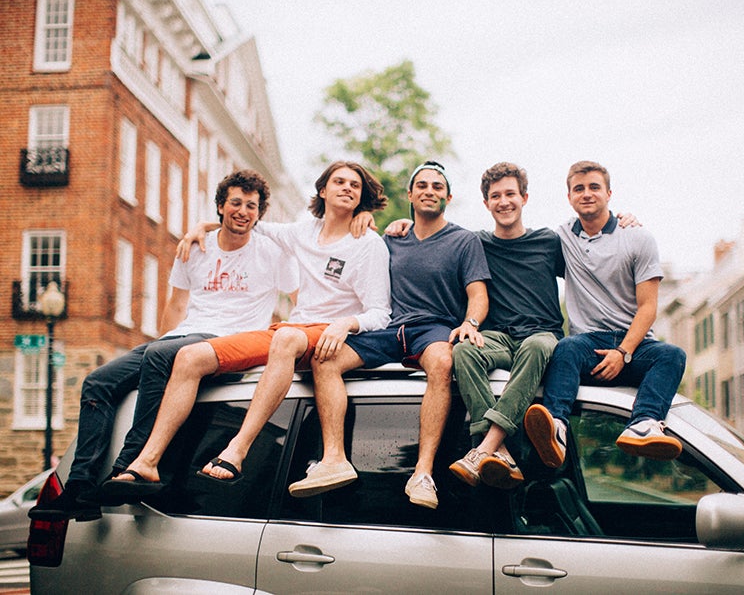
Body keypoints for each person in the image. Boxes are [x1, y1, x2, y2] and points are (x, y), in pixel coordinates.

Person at [102, 161, 391, 497]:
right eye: (339, 181)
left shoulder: (368, 243)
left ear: (361, 198)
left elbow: (380, 313)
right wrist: (201, 226)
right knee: (189, 356)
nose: (347, 188)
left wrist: (346, 324)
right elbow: (243, 223)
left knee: (284, 336)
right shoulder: (301, 232)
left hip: (327, 334)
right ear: (323, 190)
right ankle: (147, 463)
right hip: (295, 329)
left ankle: (236, 451)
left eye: (355, 185)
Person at [29, 170, 293, 521]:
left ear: (260, 213)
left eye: (251, 205)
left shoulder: (272, 251)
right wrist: (164, 348)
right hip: (185, 336)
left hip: (231, 340)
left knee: (159, 355)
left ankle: (128, 468)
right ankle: (80, 489)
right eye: (235, 203)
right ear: (220, 206)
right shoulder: (195, 247)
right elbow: (177, 305)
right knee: (98, 382)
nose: (243, 211)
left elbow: (299, 293)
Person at [306, 161, 491, 510]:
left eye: (437, 187)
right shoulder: (392, 238)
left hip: (433, 328)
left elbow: (478, 294)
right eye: (422, 185)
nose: (429, 191)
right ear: (410, 194)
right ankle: (334, 459)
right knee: (324, 358)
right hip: (391, 328)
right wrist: (365, 219)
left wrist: (470, 323)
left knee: (442, 363)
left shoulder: (464, 240)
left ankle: (422, 473)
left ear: (448, 197)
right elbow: (347, 237)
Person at [524, 160, 686, 469]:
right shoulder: (561, 239)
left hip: (635, 346)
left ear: (609, 193)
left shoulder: (638, 237)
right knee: (565, 348)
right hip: (588, 345)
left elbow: (648, 307)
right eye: (579, 188)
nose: (587, 194)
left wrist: (623, 352)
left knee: (672, 355)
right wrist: (410, 227)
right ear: (569, 197)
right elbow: (515, 243)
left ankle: (644, 424)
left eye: (594, 187)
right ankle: (556, 426)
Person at [448, 162, 563, 489]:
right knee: (465, 350)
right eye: (495, 196)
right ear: (486, 204)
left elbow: (593, 256)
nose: (504, 201)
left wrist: (622, 224)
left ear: (524, 197)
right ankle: (499, 451)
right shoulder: (476, 243)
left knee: (538, 345)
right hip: (499, 338)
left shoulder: (548, 242)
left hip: (540, 336)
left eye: (510, 193)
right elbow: (435, 238)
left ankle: (485, 446)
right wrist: (402, 224)